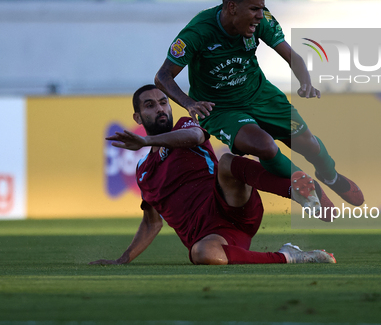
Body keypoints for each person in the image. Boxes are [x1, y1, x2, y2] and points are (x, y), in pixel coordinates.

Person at [154, 0, 364, 208]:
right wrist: (189, 103)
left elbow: (291, 55)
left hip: (260, 94)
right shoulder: (198, 33)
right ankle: (309, 190)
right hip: (220, 108)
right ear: (232, 7)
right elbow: (162, 76)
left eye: (262, 8)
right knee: (264, 145)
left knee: (309, 144)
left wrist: (305, 81)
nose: (259, 15)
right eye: (254, 8)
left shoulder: (261, 20)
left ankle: (330, 176)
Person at [89, 85, 335, 265]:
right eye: (150, 105)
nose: (160, 108)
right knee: (202, 255)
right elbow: (152, 222)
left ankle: (300, 192)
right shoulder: (143, 170)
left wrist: (146, 140)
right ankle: (290, 256)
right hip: (216, 236)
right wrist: (122, 260)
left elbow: (196, 137)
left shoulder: (185, 125)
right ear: (137, 117)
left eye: (164, 102)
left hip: (232, 204)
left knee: (227, 162)